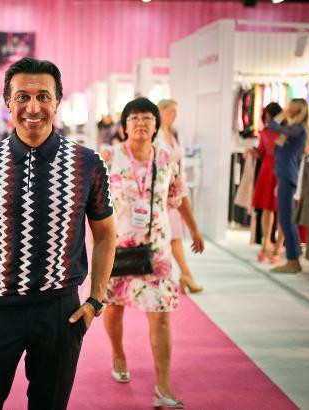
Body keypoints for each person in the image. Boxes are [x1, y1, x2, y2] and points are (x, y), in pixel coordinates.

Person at [0, 57, 116, 410]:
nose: (32, 107)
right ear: (7, 102)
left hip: (59, 311)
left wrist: (95, 301)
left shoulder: (88, 163)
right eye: (22, 97)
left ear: (58, 102)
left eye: (43, 96)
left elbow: (105, 235)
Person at [104, 98, 204, 408]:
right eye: (134, 118)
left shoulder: (166, 158)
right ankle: (118, 354)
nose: (140, 123)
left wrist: (194, 229)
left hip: (156, 250)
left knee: (161, 315)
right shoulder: (109, 158)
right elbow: (90, 203)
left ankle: (163, 388)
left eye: (147, 118)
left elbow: (179, 196)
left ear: (156, 125)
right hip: (117, 246)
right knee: (114, 307)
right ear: (124, 126)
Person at [156, 99, 203, 293]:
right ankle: (184, 274)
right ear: (161, 111)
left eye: (175, 112)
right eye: (171, 112)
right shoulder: (155, 134)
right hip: (161, 192)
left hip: (174, 189)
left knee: (175, 235)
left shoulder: (174, 134)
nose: (174, 116)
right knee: (171, 236)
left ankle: (185, 274)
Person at [267, 99, 309, 273]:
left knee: (287, 220)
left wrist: (283, 114)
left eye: (290, 107)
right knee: (286, 219)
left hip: (287, 177)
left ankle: (293, 261)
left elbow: (272, 125)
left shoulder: (298, 129)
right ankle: (293, 260)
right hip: (285, 177)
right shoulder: (295, 129)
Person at [249, 102, 285, 264]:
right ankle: (266, 243)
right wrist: (252, 152)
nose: (268, 119)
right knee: (266, 208)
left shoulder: (286, 131)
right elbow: (262, 152)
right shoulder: (264, 132)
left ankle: (278, 247)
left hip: (282, 169)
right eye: (266, 117)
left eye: (270, 116)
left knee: (283, 210)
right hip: (267, 170)